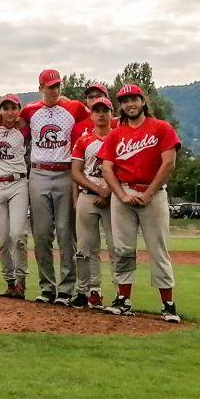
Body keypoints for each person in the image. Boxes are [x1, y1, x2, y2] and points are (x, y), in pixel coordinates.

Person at [99, 85, 181, 323]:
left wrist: (149, 193)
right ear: (121, 106)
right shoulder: (116, 133)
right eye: (125, 101)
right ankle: (123, 300)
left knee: (158, 249)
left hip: (153, 194)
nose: (130, 104)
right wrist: (121, 195)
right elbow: (106, 167)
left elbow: (169, 163)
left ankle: (168, 304)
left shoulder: (161, 128)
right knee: (122, 249)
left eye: (134, 99)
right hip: (124, 193)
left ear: (143, 101)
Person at [20, 69, 90, 305]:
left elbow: (99, 120)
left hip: (64, 172)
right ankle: (46, 286)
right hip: (39, 172)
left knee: (65, 232)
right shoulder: (30, 110)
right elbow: (8, 120)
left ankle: (66, 288)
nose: (55, 90)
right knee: (41, 234)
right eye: (50, 86)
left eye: (58, 85)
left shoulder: (75, 108)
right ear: (41, 88)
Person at [70, 96, 116, 309]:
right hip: (88, 195)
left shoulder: (118, 138)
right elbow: (76, 173)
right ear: (91, 114)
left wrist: (108, 192)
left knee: (116, 247)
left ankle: (120, 293)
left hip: (114, 197)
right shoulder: (84, 140)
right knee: (84, 248)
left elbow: (125, 169)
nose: (100, 114)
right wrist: (100, 190)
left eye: (104, 110)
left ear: (111, 113)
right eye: (96, 110)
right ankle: (85, 291)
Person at [0, 94, 31, 299]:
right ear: (0, 110)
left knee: (18, 234)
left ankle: (21, 282)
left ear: (19, 109)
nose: (10, 112)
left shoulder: (24, 129)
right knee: (2, 239)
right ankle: (10, 282)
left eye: (14, 108)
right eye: (6, 108)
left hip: (18, 183)